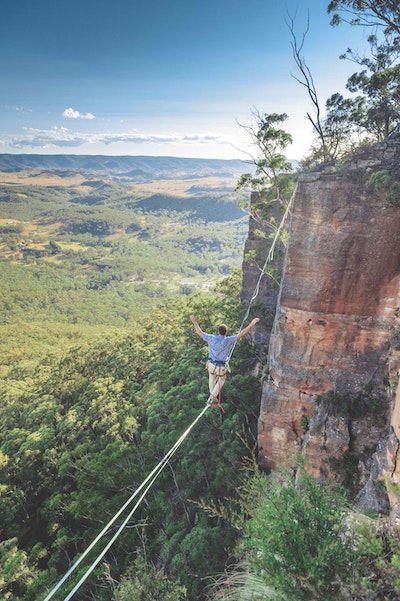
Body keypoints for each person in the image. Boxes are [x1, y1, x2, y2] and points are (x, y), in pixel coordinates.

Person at [190, 314, 260, 404]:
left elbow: (200, 332)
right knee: (221, 380)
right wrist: (252, 323)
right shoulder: (228, 340)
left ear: (218, 331)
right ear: (226, 332)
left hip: (211, 364)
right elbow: (243, 333)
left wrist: (194, 322)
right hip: (221, 366)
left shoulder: (211, 338)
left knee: (211, 378)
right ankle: (213, 395)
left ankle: (212, 394)